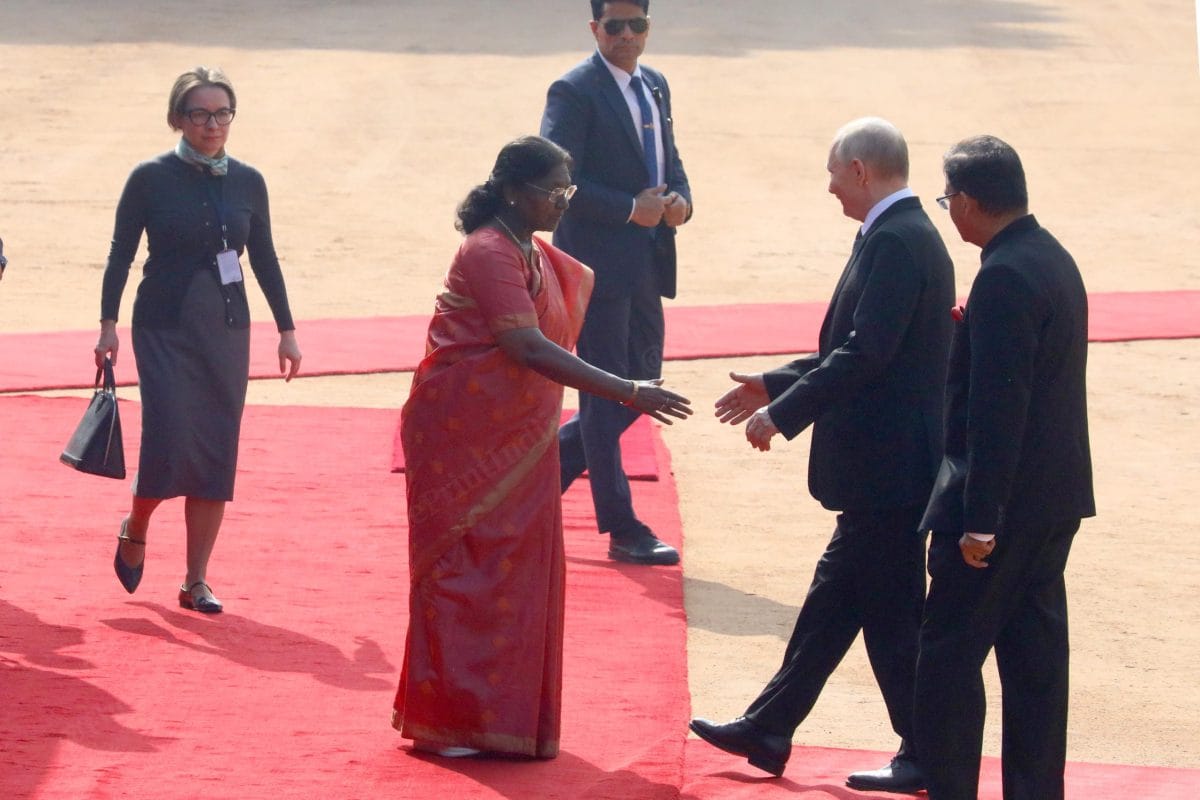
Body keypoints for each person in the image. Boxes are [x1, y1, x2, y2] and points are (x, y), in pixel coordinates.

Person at [392, 135, 691, 759]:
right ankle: (447, 717)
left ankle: (500, 718)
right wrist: (626, 389)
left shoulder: (530, 250)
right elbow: (525, 346)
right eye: (552, 191)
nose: (562, 202)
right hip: (464, 436)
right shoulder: (487, 251)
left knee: (515, 571)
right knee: (462, 568)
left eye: (567, 190)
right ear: (510, 190)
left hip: (519, 437)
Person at [689, 118, 955, 792]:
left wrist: (784, 412)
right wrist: (776, 382)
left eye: (835, 173)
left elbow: (868, 353)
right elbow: (860, 343)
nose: (830, 187)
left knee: (893, 618)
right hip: (884, 468)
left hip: (888, 468)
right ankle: (770, 725)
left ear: (862, 170)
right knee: (833, 604)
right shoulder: (896, 234)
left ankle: (924, 750)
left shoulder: (898, 241)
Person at [913, 135, 1095, 800]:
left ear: (965, 200)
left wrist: (980, 520)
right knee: (1035, 663)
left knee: (947, 662)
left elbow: (998, 410)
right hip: (1055, 500)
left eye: (947, 199)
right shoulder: (1052, 258)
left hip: (1002, 510)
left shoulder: (1003, 277)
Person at [95, 67, 302, 614]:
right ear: (177, 119)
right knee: (167, 437)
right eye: (200, 114)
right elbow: (121, 252)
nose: (213, 124)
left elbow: (265, 258)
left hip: (227, 328)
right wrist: (108, 323)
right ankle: (136, 522)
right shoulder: (150, 177)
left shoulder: (249, 181)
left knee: (215, 447)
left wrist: (286, 329)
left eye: (223, 113)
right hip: (162, 325)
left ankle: (195, 580)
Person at [540, 0, 693, 566]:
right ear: (594, 29)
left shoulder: (655, 84)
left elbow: (669, 162)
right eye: (616, 26)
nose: (628, 36)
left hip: (649, 262)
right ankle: (621, 526)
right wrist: (630, 208)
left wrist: (681, 202)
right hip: (596, 266)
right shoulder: (573, 90)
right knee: (607, 390)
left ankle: (546, 466)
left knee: (642, 379)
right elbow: (558, 179)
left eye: (638, 25)